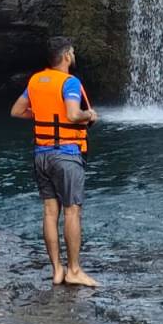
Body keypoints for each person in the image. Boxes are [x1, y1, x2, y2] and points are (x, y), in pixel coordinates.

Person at [10, 36, 99, 286]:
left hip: (41, 154)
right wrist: (89, 114)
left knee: (50, 212)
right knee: (72, 211)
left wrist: (44, 117)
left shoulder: (36, 81)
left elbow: (16, 111)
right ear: (67, 56)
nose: (74, 56)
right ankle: (74, 270)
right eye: (73, 52)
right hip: (66, 155)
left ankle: (57, 270)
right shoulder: (70, 82)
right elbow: (73, 114)